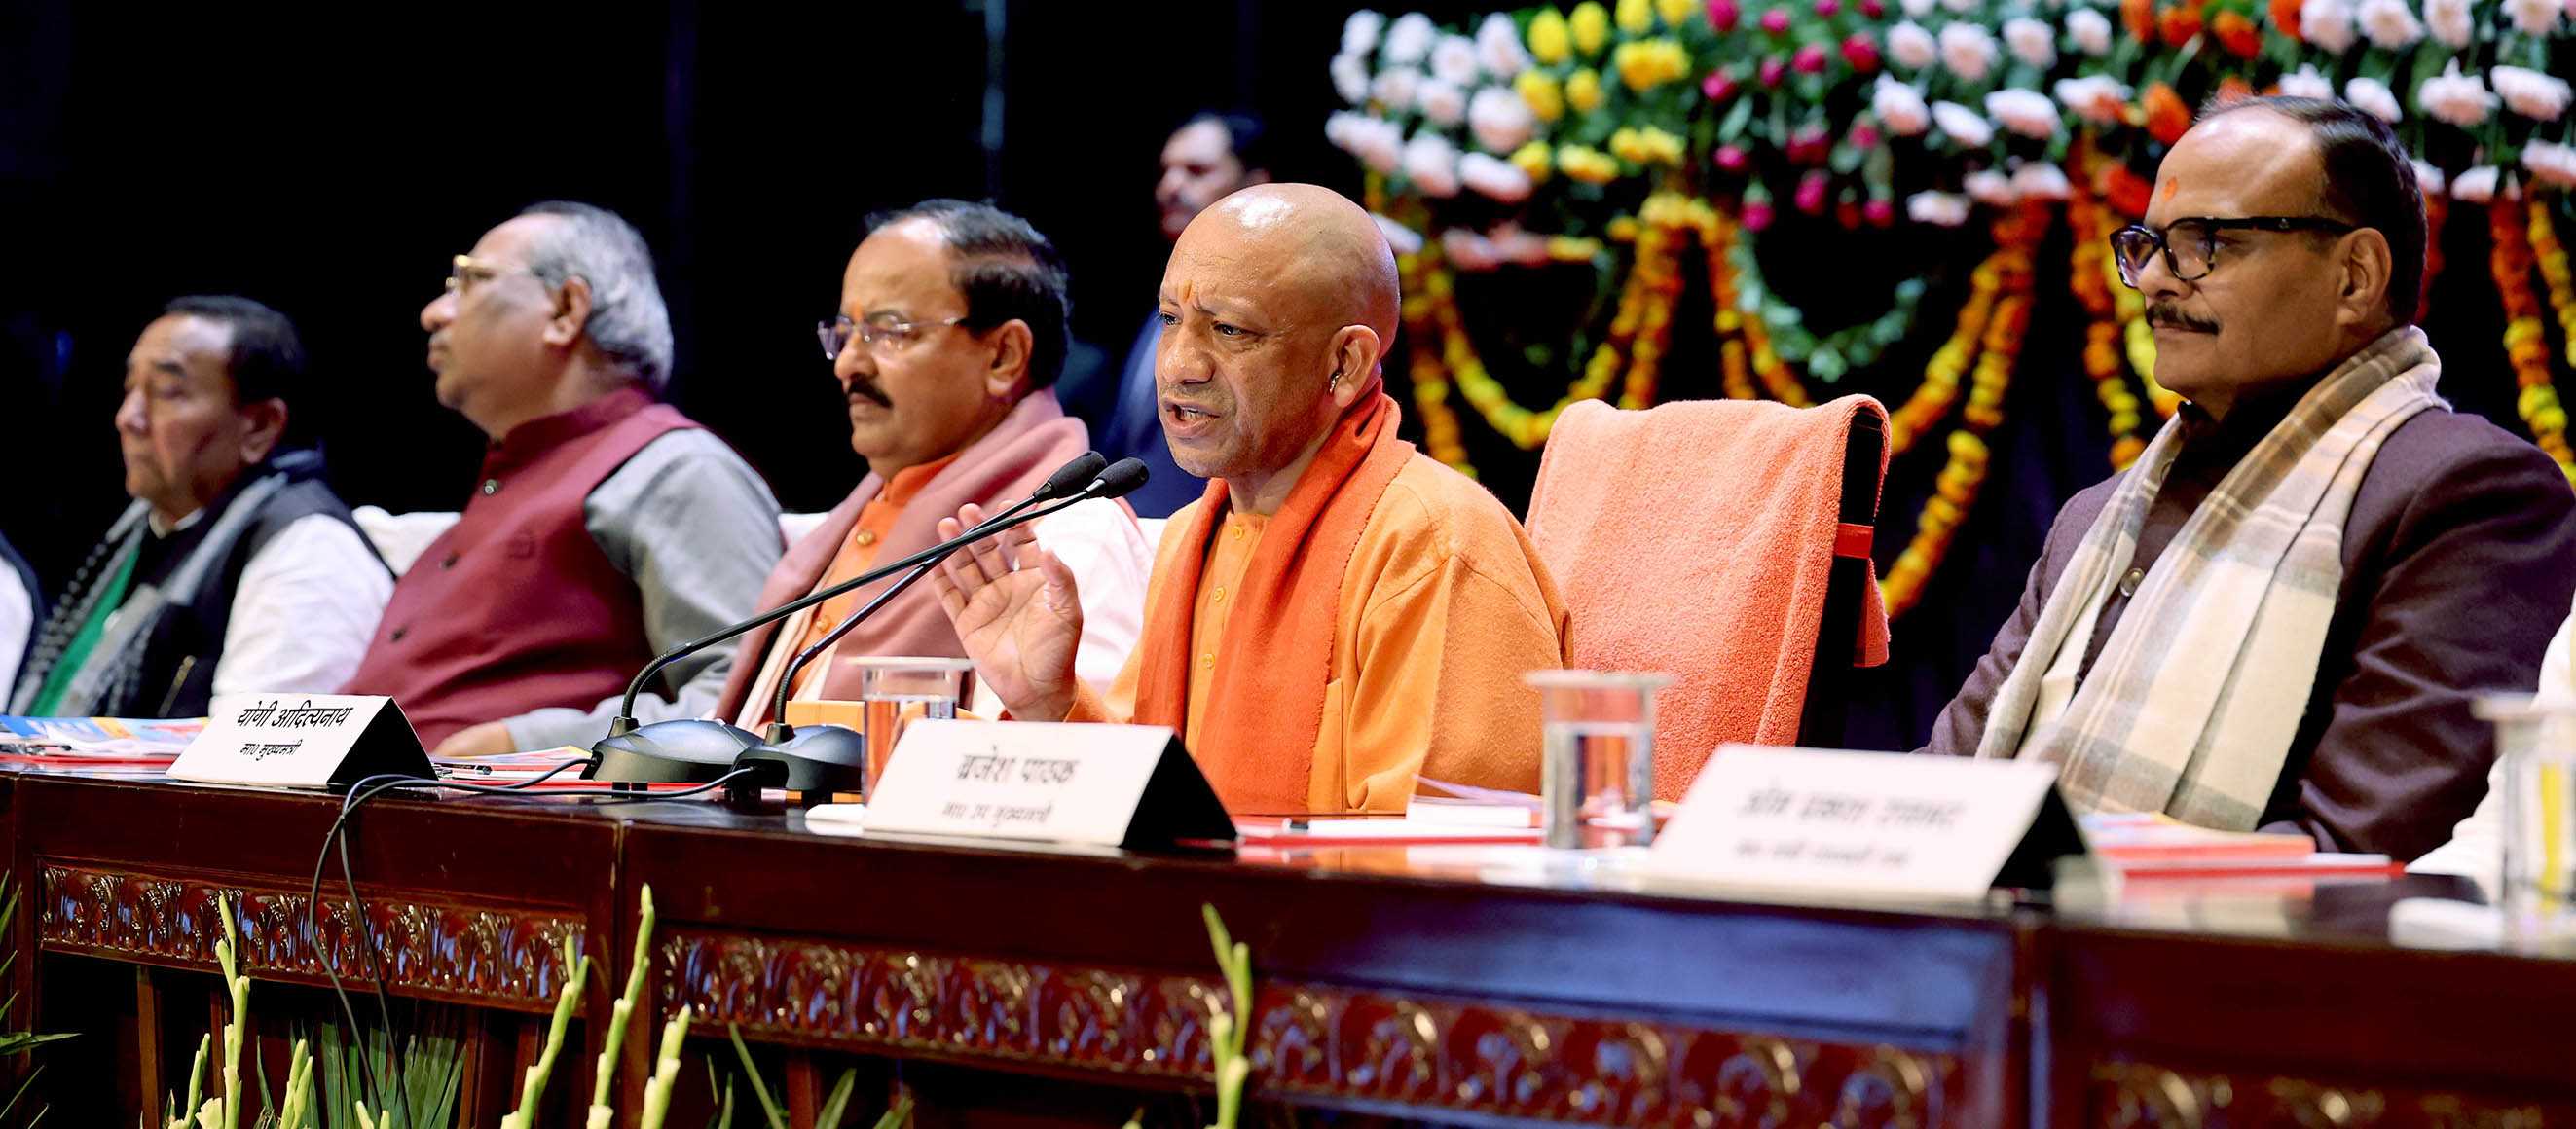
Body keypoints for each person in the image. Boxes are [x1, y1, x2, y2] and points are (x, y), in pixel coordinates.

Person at [1923, 96, 2576, 860]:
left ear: (2355, 278)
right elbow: (1948, 788)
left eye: (2205, 243)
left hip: (2248, 970)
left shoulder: (2466, 494)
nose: (2158, 281)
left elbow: (2364, 852)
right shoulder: (2098, 516)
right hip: (2012, 956)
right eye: (2149, 245)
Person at [930, 184, 1567, 815]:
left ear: (1344, 363)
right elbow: (1161, 813)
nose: (1179, 365)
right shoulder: (1194, 535)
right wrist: (1051, 700)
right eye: (1171, 320)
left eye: (1229, 329)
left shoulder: (1431, 544)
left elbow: (1461, 853)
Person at [340, 201, 783, 753]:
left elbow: (746, 703)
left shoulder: (677, 470)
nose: (434, 312)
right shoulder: (514, 477)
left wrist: (521, 742)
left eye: (470, 281)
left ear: (565, 310)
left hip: (512, 824)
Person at [715, 200, 1150, 727]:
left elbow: (1085, 771)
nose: (850, 362)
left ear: (1003, 356)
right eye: (847, 333)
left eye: (890, 331)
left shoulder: (1065, 532)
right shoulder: (857, 516)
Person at [12, 297, 388, 718]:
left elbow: (253, 763)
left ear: (260, 425)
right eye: (130, 388)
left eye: (167, 392)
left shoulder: (310, 551)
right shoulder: (146, 529)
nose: (128, 418)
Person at [1057, 112, 1274, 518]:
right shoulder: (1162, 304)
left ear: (1255, 185)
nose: (1170, 186)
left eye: (1196, 170)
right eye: (1166, 171)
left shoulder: (1267, 312)